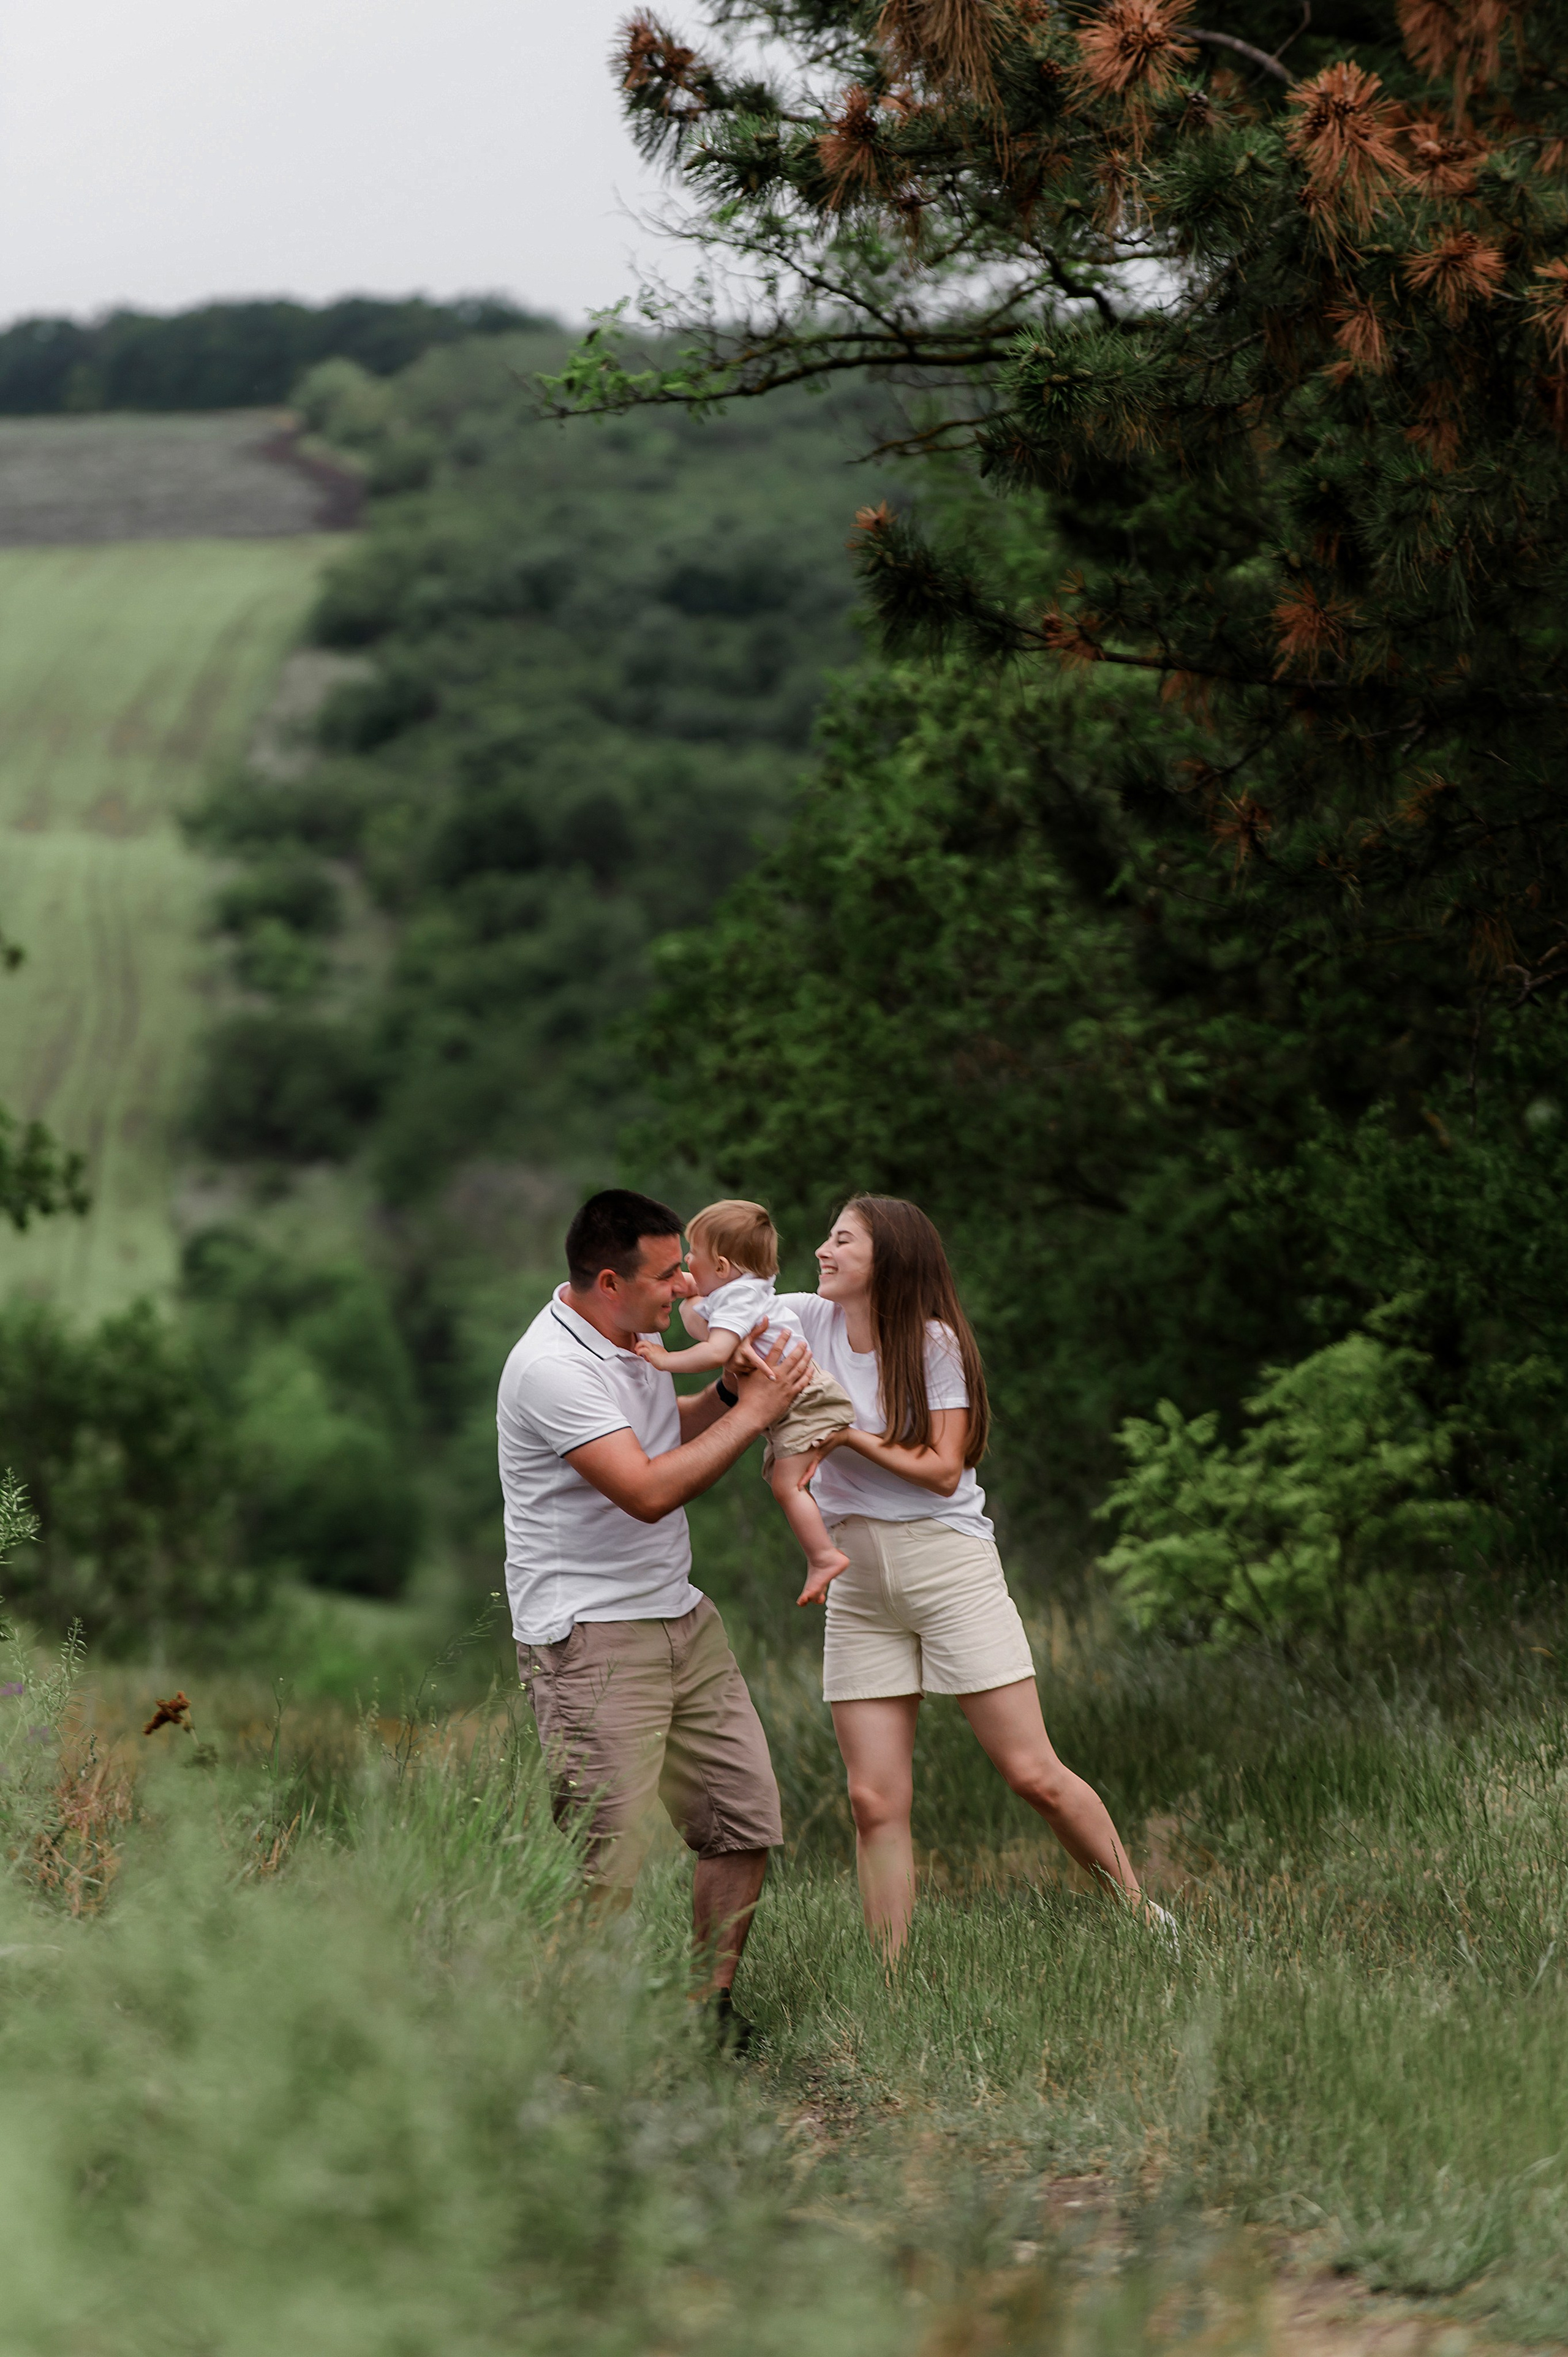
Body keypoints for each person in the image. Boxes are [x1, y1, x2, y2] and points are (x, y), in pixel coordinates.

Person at [775, 1194, 1167, 1956]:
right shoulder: (803, 1317)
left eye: (841, 1239)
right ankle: (890, 1980)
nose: (821, 1250)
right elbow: (727, 1309)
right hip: (855, 1575)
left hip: (946, 1564)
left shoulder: (932, 1343)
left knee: (1031, 1773)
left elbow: (944, 1470)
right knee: (872, 1798)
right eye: (826, 1237)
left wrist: (847, 1432)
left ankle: (1143, 1919)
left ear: (885, 1258)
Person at [498, 1187, 812, 2046]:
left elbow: (655, 1432)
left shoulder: (633, 1341)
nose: (686, 1289)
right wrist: (753, 1416)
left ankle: (703, 2013)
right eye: (669, 1274)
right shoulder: (551, 1368)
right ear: (609, 1279)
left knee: (742, 1817)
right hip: (591, 1635)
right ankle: (583, 2035)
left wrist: (729, 1394)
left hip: (679, 1614)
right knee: (611, 1856)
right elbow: (642, 1489)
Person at [633, 1198, 857, 1606]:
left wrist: (667, 1361)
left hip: (805, 1401)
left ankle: (824, 1557)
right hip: (798, 1398)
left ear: (720, 1267)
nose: (685, 1261)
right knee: (780, 1480)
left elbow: (715, 1350)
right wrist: (690, 1292)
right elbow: (701, 1319)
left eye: (693, 1256)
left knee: (787, 1487)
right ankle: (825, 1550)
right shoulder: (743, 1290)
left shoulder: (738, 1301)